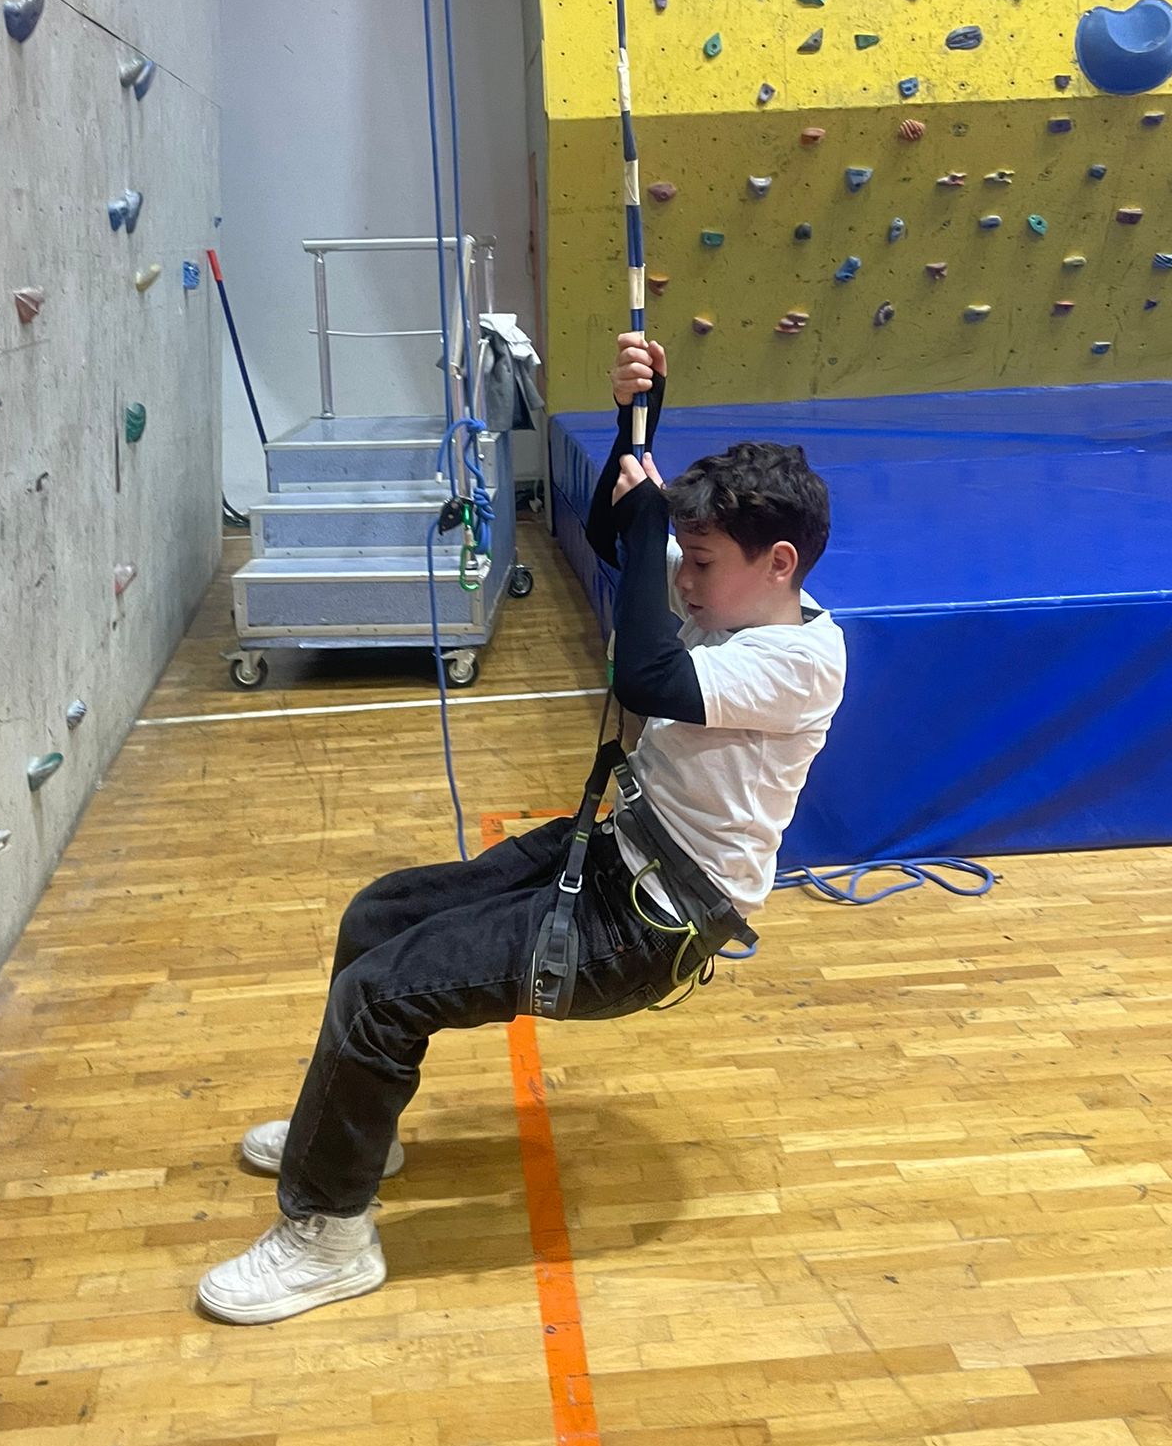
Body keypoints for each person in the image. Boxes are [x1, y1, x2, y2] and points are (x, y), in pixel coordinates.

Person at [196, 332, 847, 1325]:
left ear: (780, 564)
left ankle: (328, 1238)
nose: (684, 580)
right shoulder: (732, 591)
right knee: (379, 916)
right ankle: (349, 1135)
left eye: (703, 564)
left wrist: (651, 521)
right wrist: (638, 420)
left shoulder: (801, 661)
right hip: (617, 850)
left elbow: (647, 676)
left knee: (382, 994)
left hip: (650, 922)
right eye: (688, 559)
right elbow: (620, 537)